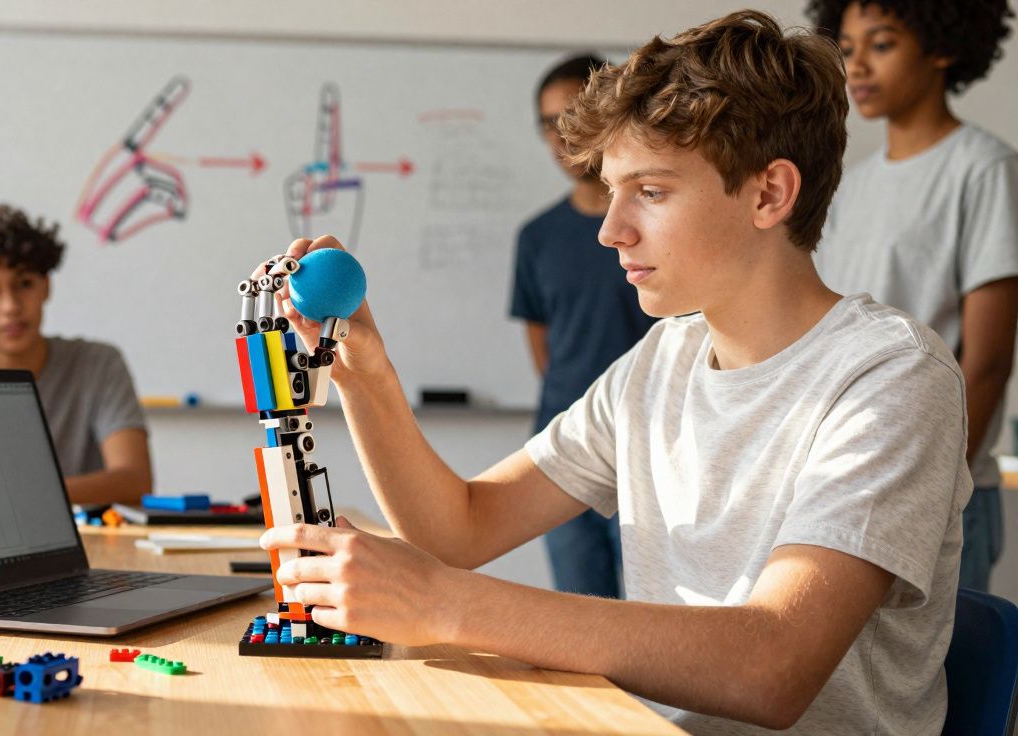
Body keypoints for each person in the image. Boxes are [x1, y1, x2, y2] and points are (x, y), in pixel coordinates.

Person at [260, 11, 969, 733]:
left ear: (769, 194)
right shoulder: (662, 362)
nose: (610, 229)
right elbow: (461, 529)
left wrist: (445, 603)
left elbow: (772, 665)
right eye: (611, 188)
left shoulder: (891, 377)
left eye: (651, 192)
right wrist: (365, 373)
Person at [808, 0, 1018, 592]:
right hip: (850, 481)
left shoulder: (983, 169)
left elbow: (987, 360)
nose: (858, 67)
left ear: (942, 47)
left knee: (943, 679)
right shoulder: (852, 184)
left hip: (941, 487)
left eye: (882, 44)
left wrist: (939, 490)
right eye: (846, 49)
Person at [512, 54, 657, 598]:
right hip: (562, 448)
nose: (561, 134)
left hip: (651, 446)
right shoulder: (538, 237)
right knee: (578, 609)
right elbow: (542, 346)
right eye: (548, 123)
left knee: (654, 613)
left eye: (572, 114)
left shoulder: (659, 225)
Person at [0, 204, 152, 506]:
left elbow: (135, 480)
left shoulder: (98, 363)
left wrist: (13, 497)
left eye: (24, 284)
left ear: (46, 287)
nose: (11, 305)